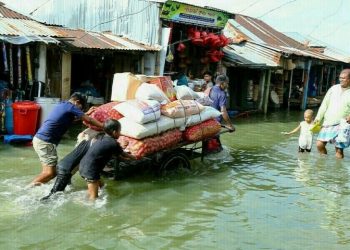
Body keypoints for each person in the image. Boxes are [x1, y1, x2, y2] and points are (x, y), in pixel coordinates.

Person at [31, 92, 104, 186]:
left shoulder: (63, 104)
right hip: (45, 141)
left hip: (41, 139)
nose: (80, 111)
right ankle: (28, 189)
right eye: (80, 108)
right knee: (49, 173)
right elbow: (89, 120)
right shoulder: (71, 106)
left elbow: (71, 120)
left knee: (50, 172)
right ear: (77, 102)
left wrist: (85, 113)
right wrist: (105, 126)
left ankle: (41, 187)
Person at [79, 119, 135, 200]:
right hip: (90, 171)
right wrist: (134, 157)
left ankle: (84, 197)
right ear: (114, 132)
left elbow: (118, 155)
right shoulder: (113, 143)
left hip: (84, 166)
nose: (120, 133)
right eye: (119, 131)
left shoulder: (102, 137)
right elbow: (123, 154)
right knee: (94, 198)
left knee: (102, 186)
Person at [314, 68, 350, 159]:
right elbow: (324, 104)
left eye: (344, 78)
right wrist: (318, 118)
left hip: (342, 124)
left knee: (338, 150)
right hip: (328, 122)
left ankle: (337, 169)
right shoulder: (333, 88)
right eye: (340, 78)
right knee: (319, 144)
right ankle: (323, 163)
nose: (341, 79)